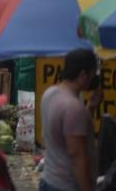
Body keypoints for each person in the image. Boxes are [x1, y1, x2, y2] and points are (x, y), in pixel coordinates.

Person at [40, 48, 100, 191]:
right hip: (66, 185)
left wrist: (90, 107)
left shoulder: (50, 93)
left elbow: (69, 128)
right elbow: (77, 156)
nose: (94, 79)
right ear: (83, 75)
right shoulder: (73, 107)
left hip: (48, 179)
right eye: (93, 74)